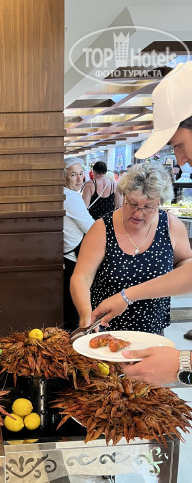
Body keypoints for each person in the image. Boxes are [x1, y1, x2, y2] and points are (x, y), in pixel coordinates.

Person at [91, 61, 192, 386]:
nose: (180, 159)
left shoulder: (170, 225)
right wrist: (126, 297)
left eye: (178, 144)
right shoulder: (104, 227)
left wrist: (184, 363)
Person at [70, 162, 192, 335]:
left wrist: (173, 276)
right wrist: (85, 314)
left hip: (152, 332)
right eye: (132, 204)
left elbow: (185, 260)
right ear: (123, 196)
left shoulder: (171, 226)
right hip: (106, 331)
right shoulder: (103, 228)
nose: (138, 213)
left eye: (148, 207)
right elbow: (81, 277)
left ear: (159, 203)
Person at [63, 157, 95, 330]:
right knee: (76, 309)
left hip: (68, 256)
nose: (79, 179)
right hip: (74, 259)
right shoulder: (70, 197)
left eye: (81, 174)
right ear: (64, 177)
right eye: (73, 175)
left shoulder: (67, 194)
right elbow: (91, 228)